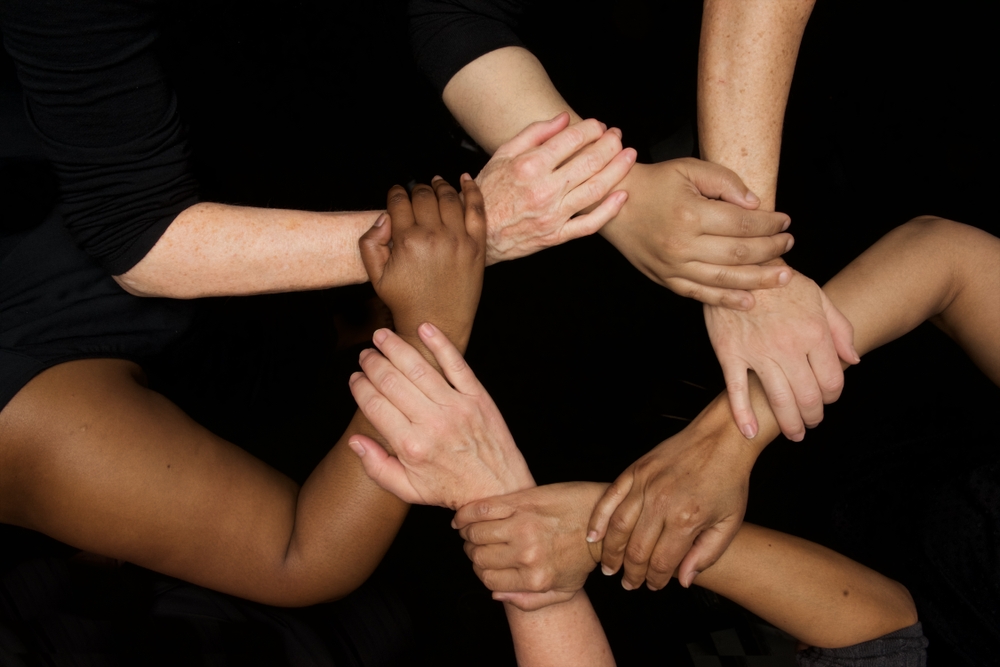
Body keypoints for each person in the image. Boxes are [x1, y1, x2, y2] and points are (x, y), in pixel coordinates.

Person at [347, 216, 998, 663]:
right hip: (885, 410)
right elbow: (951, 261)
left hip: (830, 506)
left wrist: (616, 525)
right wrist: (724, 439)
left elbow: (885, 633)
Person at [408, 0, 857, 585]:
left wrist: (738, 267)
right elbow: (451, 12)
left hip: (790, 118)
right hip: (532, 145)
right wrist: (620, 193)